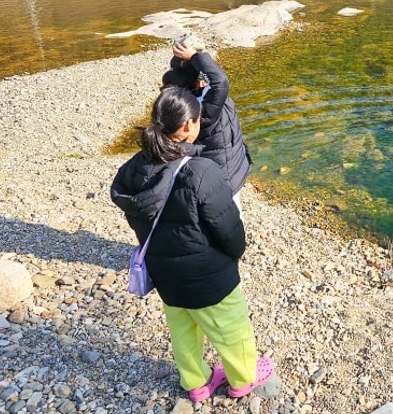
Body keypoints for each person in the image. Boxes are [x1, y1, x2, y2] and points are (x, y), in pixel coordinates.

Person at [111, 86, 273, 402]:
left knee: (183, 330)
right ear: (188, 126)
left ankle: (197, 383)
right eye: (199, 120)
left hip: (164, 272)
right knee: (232, 328)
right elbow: (228, 228)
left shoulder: (132, 168)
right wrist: (234, 255)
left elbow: (135, 213)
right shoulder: (201, 170)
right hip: (207, 275)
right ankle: (244, 378)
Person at [161, 37, 252, 217]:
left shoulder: (180, 105)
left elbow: (213, 80)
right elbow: (219, 81)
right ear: (199, 82)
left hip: (220, 167)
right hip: (226, 172)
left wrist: (190, 57)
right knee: (228, 215)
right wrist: (195, 56)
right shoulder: (203, 108)